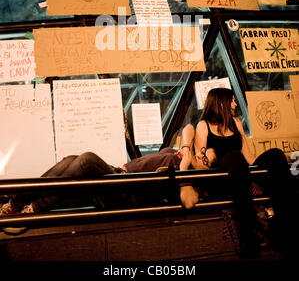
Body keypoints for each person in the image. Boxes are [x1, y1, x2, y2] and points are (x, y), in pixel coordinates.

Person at [0, 125, 199, 216]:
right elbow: (188, 127)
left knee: (86, 159)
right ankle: (16, 202)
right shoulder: (183, 153)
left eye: (206, 159)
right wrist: (186, 148)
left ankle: (38, 206)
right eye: (202, 150)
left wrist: (183, 171)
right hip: (118, 174)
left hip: (127, 192)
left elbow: (189, 202)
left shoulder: (187, 172)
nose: (200, 155)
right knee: (70, 159)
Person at [192, 87, 298, 259]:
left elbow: (249, 158)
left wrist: (266, 169)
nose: (235, 104)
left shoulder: (236, 123)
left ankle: (287, 227)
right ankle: (248, 235)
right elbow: (201, 164)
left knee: (276, 155)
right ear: (221, 103)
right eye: (232, 100)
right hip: (220, 179)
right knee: (234, 157)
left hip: (241, 172)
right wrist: (203, 157)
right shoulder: (203, 126)